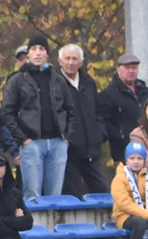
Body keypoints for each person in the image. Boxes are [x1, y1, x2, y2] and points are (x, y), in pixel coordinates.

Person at [2, 34, 77, 202]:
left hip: (58, 143)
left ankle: (52, 228)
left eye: (41, 49)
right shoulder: (17, 80)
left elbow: (71, 110)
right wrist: (23, 139)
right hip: (32, 143)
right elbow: (7, 113)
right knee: (32, 196)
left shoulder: (58, 79)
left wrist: (67, 137)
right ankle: (34, 228)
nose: (37, 53)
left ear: (47, 54)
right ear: (28, 54)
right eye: (33, 49)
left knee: (55, 197)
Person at [58, 44, 109, 198]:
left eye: (75, 59)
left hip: (91, 150)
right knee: (73, 196)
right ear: (60, 60)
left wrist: (100, 134)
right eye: (67, 58)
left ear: (81, 62)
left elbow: (98, 111)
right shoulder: (55, 83)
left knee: (104, 193)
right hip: (69, 152)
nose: (71, 62)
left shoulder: (88, 82)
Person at [97, 53, 148, 166]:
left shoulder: (147, 92)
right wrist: (119, 136)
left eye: (134, 68)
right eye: (127, 68)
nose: (131, 71)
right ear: (118, 69)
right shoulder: (108, 95)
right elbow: (104, 123)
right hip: (124, 150)